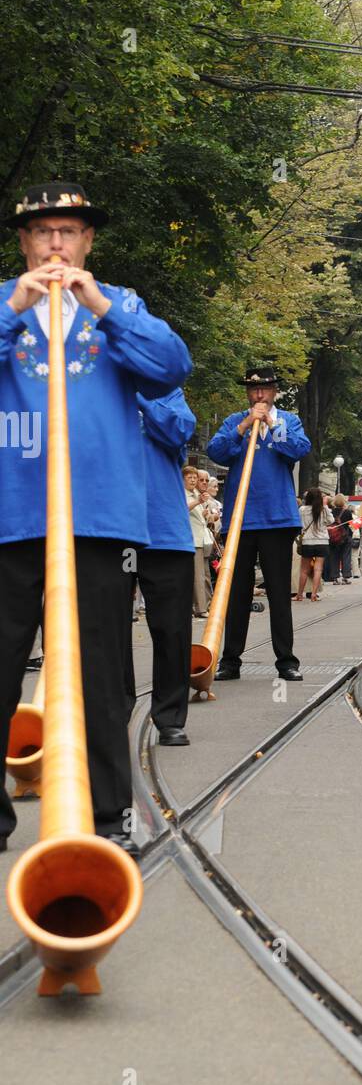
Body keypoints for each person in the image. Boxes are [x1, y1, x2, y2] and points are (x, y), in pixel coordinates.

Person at [0, 179, 192, 856]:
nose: (56, 243)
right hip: (12, 517)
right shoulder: (4, 303)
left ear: (87, 242)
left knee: (102, 671)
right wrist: (13, 311)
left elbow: (171, 369)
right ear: (23, 242)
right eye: (43, 232)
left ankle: (110, 813)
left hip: (103, 519)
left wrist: (102, 306)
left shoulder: (121, 306)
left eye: (69, 232)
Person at [207, 365, 311, 681]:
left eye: (264, 390)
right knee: (237, 593)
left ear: (274, 391)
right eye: (253, 390)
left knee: (279, 593)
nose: (259, 395)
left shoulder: (288, 421)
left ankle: (286, 661)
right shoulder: (234, 420)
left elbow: (298, 449)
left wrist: (270, 422)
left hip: (277, 519)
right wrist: (244, 425)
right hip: (241, 520)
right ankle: (230, 660)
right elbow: (216, 451)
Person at [126, 389, 196, 746]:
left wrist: (139, 394)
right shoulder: (94, 380)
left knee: (171, 630)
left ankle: (169, 717)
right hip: (111, 530)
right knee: (107, 631)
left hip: (165, 533)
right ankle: (114, 711)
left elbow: (179, 431)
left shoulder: (166, 390)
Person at [295, 487, 333, 602]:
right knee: (318, 570)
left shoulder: (302, 509)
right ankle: (313, 594)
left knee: (304, 570)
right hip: (322, 542)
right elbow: (331, 521)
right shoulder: (323, 509)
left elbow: (299, 523)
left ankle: (299, 594)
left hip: (307, 542)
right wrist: (325, 506)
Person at [184, 464, 212, 616]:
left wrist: (207, 514)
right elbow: (182, 508)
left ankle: (206, 604)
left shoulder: (196, 494)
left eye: (195, 478)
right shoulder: (184, 494)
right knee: (198, 576)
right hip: (192, 539)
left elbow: (203, 519)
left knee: (205, 575)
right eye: (190, 478)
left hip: (202, 540)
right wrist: (198, 502)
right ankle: (200, 608)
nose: (194, 480)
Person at [328, 493, 354, 584]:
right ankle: (345, 577)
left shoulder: (331, 512)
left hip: (333, 538)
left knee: (334, 557)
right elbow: (351, 524)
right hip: (345, 537)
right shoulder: (347, 512)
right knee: (346, 556)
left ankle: (335, 578)